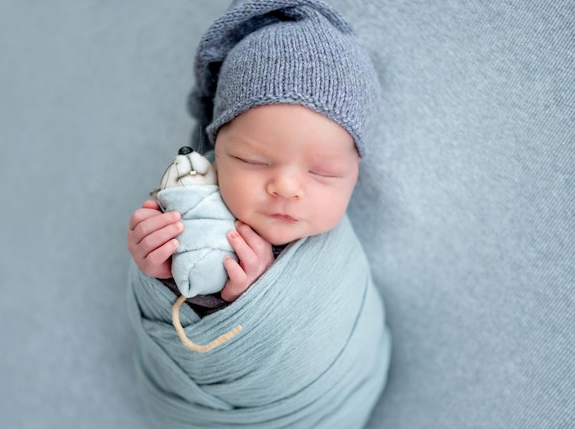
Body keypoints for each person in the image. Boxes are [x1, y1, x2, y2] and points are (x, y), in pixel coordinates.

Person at [125, 0, 391, 427]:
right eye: (253, 160)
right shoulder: (191, 203)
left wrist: (259, 300)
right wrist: (159, 269)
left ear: (355, 173)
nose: (286, 187)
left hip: (330, 399)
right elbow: (176, 324)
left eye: (323, 172)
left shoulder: (333, 256)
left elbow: (337, 324)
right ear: (217, 150)